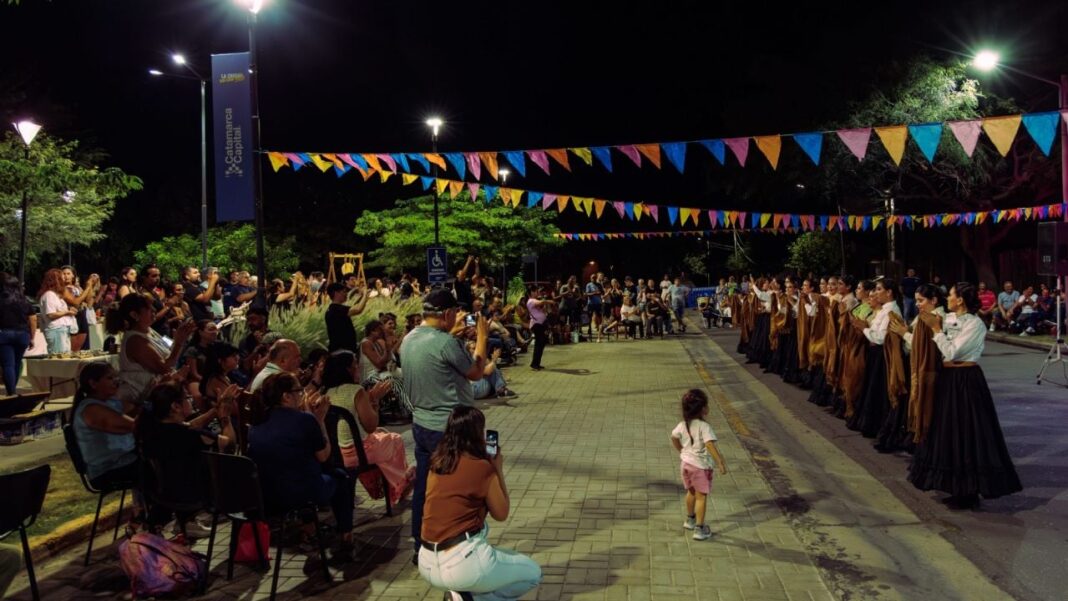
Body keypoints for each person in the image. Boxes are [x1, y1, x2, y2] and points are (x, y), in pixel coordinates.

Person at [907, 282, 1023, 509]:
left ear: (960, 300)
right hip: (948, 379)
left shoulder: (975, 323)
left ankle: (969, 489)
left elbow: (952, 351)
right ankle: (954, 486)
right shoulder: (948, 318)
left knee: (968, 432)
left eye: (950, 295)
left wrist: (938, 331)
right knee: (948, 431)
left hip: (966, 380)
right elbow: (927, 335)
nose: (946, 298)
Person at [417, 406, 541, 600]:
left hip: (426, 561)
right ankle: (469, 599)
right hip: (461, 562)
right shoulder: (482, 468)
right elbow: (502, 513)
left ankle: (461, 594)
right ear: (476, 434)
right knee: (532, 574)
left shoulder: (438, 463)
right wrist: (497, 469)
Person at [401, 289, 488, 562]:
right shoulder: (445, 343)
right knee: (455, 489)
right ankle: (455, 548)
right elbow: (475, 372)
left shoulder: (409, 338)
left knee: (425, 488)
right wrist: (482, 336)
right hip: (449, 428)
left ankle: (421, 547)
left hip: (422, 424)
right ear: (448, 314)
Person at [248, 372, 356, 550]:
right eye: (299, 390)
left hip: (268, 496)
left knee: (303, 474)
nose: (302, 394)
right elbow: (324, 456)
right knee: (340, 477)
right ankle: (346, 535)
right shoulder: (304, 420)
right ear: (286, 396)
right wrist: (319, 421)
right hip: (302, 493)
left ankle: (310, 530)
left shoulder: (257, 421)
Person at [140, 381, 237, 532]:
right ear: (175, 406)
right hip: (194, 495)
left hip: (163, 494)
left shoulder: (150, 432)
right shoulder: (189, 436)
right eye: (187, 398)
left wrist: (216, 409)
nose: (190, 400)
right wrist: (225, 417)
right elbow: (229, 443)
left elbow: (188, 426)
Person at [321, 352, 413, 505]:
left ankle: (389, 484)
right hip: (358, 453)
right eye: (355, 364)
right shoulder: (356, 391)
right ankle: (400, 484)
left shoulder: (325, 392)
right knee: (395, 439)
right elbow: (370, 426)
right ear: (348, 369)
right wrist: (375, 401)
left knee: (382, 434)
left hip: (337, 454)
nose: (358, 368)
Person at [71, 362, 145, 531]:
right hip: (107, 469)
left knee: (163, 459)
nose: (116, 382)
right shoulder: (91, 408)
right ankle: (145, 520)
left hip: (123, 460)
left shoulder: (109, 401)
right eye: (110, 378)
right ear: (93, 383)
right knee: (159, 466)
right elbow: (134, 425)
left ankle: (146, 518)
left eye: (115, 377)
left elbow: (136, 408)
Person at [670, 389, 728, 541]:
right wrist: (720, 462)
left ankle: (690, 520)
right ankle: (700, 529)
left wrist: (681, 450)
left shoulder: (683, 424)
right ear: (703, 409)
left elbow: (674, 437)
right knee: (701, 498)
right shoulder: (704, 427)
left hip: (686, 464)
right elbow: (709, 444)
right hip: (700, 467)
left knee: (691, 492)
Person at [0, 273, 36, 395]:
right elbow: (33, 319)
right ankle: (12, 390)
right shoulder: (24, 300)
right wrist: (32, 337)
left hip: (4, 334)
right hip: (22, 334)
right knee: (17, 362)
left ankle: (11, 391)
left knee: (7, 364)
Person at [38, 268, 78, 354]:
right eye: (62, 275)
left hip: (61, 330)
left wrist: (69, 310)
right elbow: (51, 314)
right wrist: (67, 312)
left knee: (65, 356)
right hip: (56, 330)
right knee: (59, 358)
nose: (65, 277)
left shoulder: (55, 295)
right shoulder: (49, 295)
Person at [61, 265, 98, 352]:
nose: (66, 276)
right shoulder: (62, 289)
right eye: (64, 274)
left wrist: (91, 286)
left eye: (68, 274)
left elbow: (88, 301)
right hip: (72, 318)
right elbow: (76, 302)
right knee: (74, 348)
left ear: (73, 275)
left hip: (82, 316)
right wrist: (88, 288)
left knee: (84, 348)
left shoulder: (77, 288)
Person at [526, 293, 550, 370]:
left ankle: (536, 363)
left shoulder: (536, 301)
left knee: (541, 344)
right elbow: (541, 302)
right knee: (539, 344)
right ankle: (534, 364)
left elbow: (544, 309)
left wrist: (544, 304)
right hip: (536, 325)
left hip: (541, 324)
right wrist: (547, 300)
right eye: (536, 291)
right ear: (531, 292)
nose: (537, 293)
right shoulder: (530, 301)